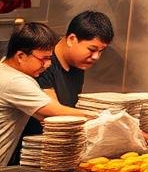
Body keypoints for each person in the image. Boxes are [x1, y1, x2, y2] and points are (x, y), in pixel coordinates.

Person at [14, 11, 114, 163]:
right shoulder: (42, 64)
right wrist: (110, 121)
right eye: (92, 49)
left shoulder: (78, 64)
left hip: (59, 153)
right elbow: (54, 113)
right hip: (30, 156)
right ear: (72, 39)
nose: (96, 57)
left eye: (101, 51)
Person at [0, 22, 91, 165]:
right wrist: (106, 117)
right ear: (20, 56)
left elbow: (43, 117)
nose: (48, 65)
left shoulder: (5, 68)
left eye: (50, 58)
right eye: (44, 59)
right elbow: (53, 112)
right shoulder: (16, 81)